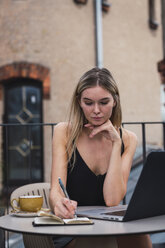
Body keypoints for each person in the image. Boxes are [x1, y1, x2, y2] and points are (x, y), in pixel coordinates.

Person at [49, 67, 152, 248]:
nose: (96, 110)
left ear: (115, 101)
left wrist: (116, 143)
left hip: (108, 225)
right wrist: (59, 203)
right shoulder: (64, 132)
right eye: (88, 103)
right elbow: (55, 191)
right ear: (79, 102)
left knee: (141, 239)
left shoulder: (128, 139)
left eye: (104, 102)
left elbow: (112, 200)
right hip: (72, 226)